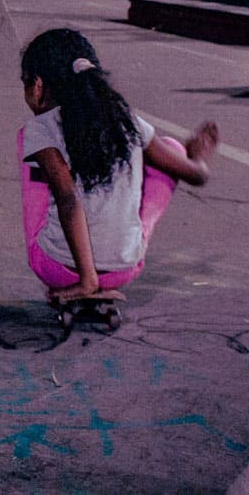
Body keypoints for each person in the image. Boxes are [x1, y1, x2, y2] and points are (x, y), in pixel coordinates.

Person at [20, 29, 217, 300]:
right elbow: (198, 176)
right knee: (170, 149)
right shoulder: (127, 121)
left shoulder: (40, 128)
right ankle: (125, 243)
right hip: (124, 269)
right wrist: (196, 156)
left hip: (59, 269)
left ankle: (86, 276)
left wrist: (87, 281)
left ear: (38, 85)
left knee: (32, 143)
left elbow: (68, 198)